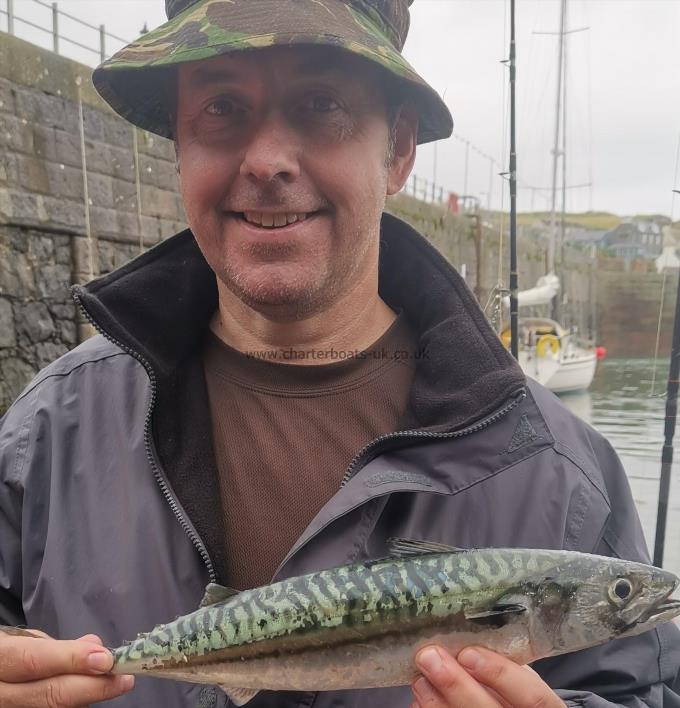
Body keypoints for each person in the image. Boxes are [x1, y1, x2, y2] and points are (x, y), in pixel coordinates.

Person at [0, 1, 678, 706]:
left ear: (400, 150)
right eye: (221, 106)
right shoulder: (39, 441)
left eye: (320, 103)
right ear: (178, 146)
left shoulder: (563, 480)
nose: (265, 162)